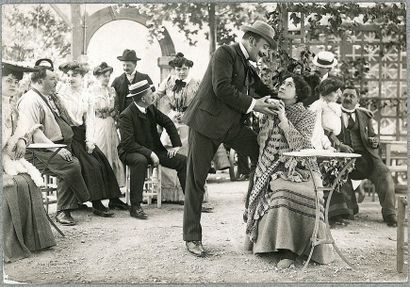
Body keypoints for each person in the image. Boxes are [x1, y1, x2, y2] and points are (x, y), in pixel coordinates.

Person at [182, 20, 278, 257]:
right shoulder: (224, 53)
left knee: (262, 153)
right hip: (205, 125)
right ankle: (192, 237)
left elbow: (264, 89)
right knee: (196, 181)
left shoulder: (248, 64)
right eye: (264, 46)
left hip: (231, 127)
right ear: (253, 40)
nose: (264, 52)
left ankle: (253, 211)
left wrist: (291, 102)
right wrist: (256, 105)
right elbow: (221, 88)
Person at [245, 74, 333, 269]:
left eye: (289, 84)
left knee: (305, 193)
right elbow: (264, 145)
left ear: (298, 93)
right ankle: (279, 249)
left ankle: (299, 250)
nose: (282, 86)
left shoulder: (307, 114)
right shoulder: (269, 111)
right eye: (282, 83)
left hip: (301, 167)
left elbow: (300, 145)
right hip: (272, 167)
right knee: (281, 191)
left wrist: (283, 119)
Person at [15, 58, 90, 226]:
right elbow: (35, 133)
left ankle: (75, 203)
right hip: (36, 151)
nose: (57, 82)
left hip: (50, 147)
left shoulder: (44, 97)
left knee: (77, 160)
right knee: (70, 165)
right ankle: (65, 210)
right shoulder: (30, 100)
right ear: (40, 81)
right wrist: (56, 148)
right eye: (52, 79)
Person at [57, 61, 128, 217]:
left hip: (82, 134)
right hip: (68, 135)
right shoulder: (61, 95)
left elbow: (89, 119)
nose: (70, 78)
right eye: (68, 76)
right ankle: (96, 204)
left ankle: (113, 198)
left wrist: (89, 140)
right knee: (91, 165)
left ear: (82, 77)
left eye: (74, 75)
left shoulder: (85, 95)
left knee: (101, 161)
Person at [2, 62, 56, 262]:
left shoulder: (12, 107)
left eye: (16, 81)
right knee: (11, 184)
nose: (13, 84)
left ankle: (35, 240)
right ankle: (9, 243)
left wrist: (23, 139)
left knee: (29, 181)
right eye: (8, 80)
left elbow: (23, 128)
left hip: (8, 159)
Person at [118, 80, 187, 219]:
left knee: (183, 162)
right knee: (140, 161)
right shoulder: (126, 115)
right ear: (143, 98)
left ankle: (192, 201)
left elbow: (167, 122)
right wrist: (150, 154)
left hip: (153, 150)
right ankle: (135, 206)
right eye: (150, 93)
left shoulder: (150, 108)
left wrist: (176, 145)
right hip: (130, 152)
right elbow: (128, 144)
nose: (153, 95)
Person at [332, 87, 397, 227]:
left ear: (357, 100)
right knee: (339, 175)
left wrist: (374, 141)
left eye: (352, 96)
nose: (348, 98)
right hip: (344, 159)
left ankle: (390, 213)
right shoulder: (333, 113)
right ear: (340, 97)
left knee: (384, 173)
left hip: (367, 158)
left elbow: (372, 136)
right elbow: (327, 135)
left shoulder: (364, 115)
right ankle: (348, 210)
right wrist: (340, 145)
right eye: (345, 95)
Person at [89, 62, 125, 187]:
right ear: (97, 76)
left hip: (110, 124)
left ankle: (113, 185)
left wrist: (113, 113)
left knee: (113, 151)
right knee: (102, 150)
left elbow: (117, 107)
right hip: (98, 124)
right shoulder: (91, 91)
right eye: (104, 76)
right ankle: (101, 185)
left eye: (109, 76)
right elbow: (89, 111)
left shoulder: (112, 90)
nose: (107, 78)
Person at [112, 49, 154, 113]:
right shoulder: (117, 81)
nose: (125, 68)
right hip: (124, 117)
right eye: (124, 65)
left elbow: (152, 97)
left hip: (141, 116)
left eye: (128, 65)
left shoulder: (145, 78)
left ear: (135, 65)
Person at [309, 78, 343, 150]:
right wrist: (326, 146)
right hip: (315, 146)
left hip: (326, 144)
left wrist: (328, 146)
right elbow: (316, 131)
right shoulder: (316, 107)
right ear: (327, 91)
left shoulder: (329, 106)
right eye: (336, 92)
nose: (339, 95)